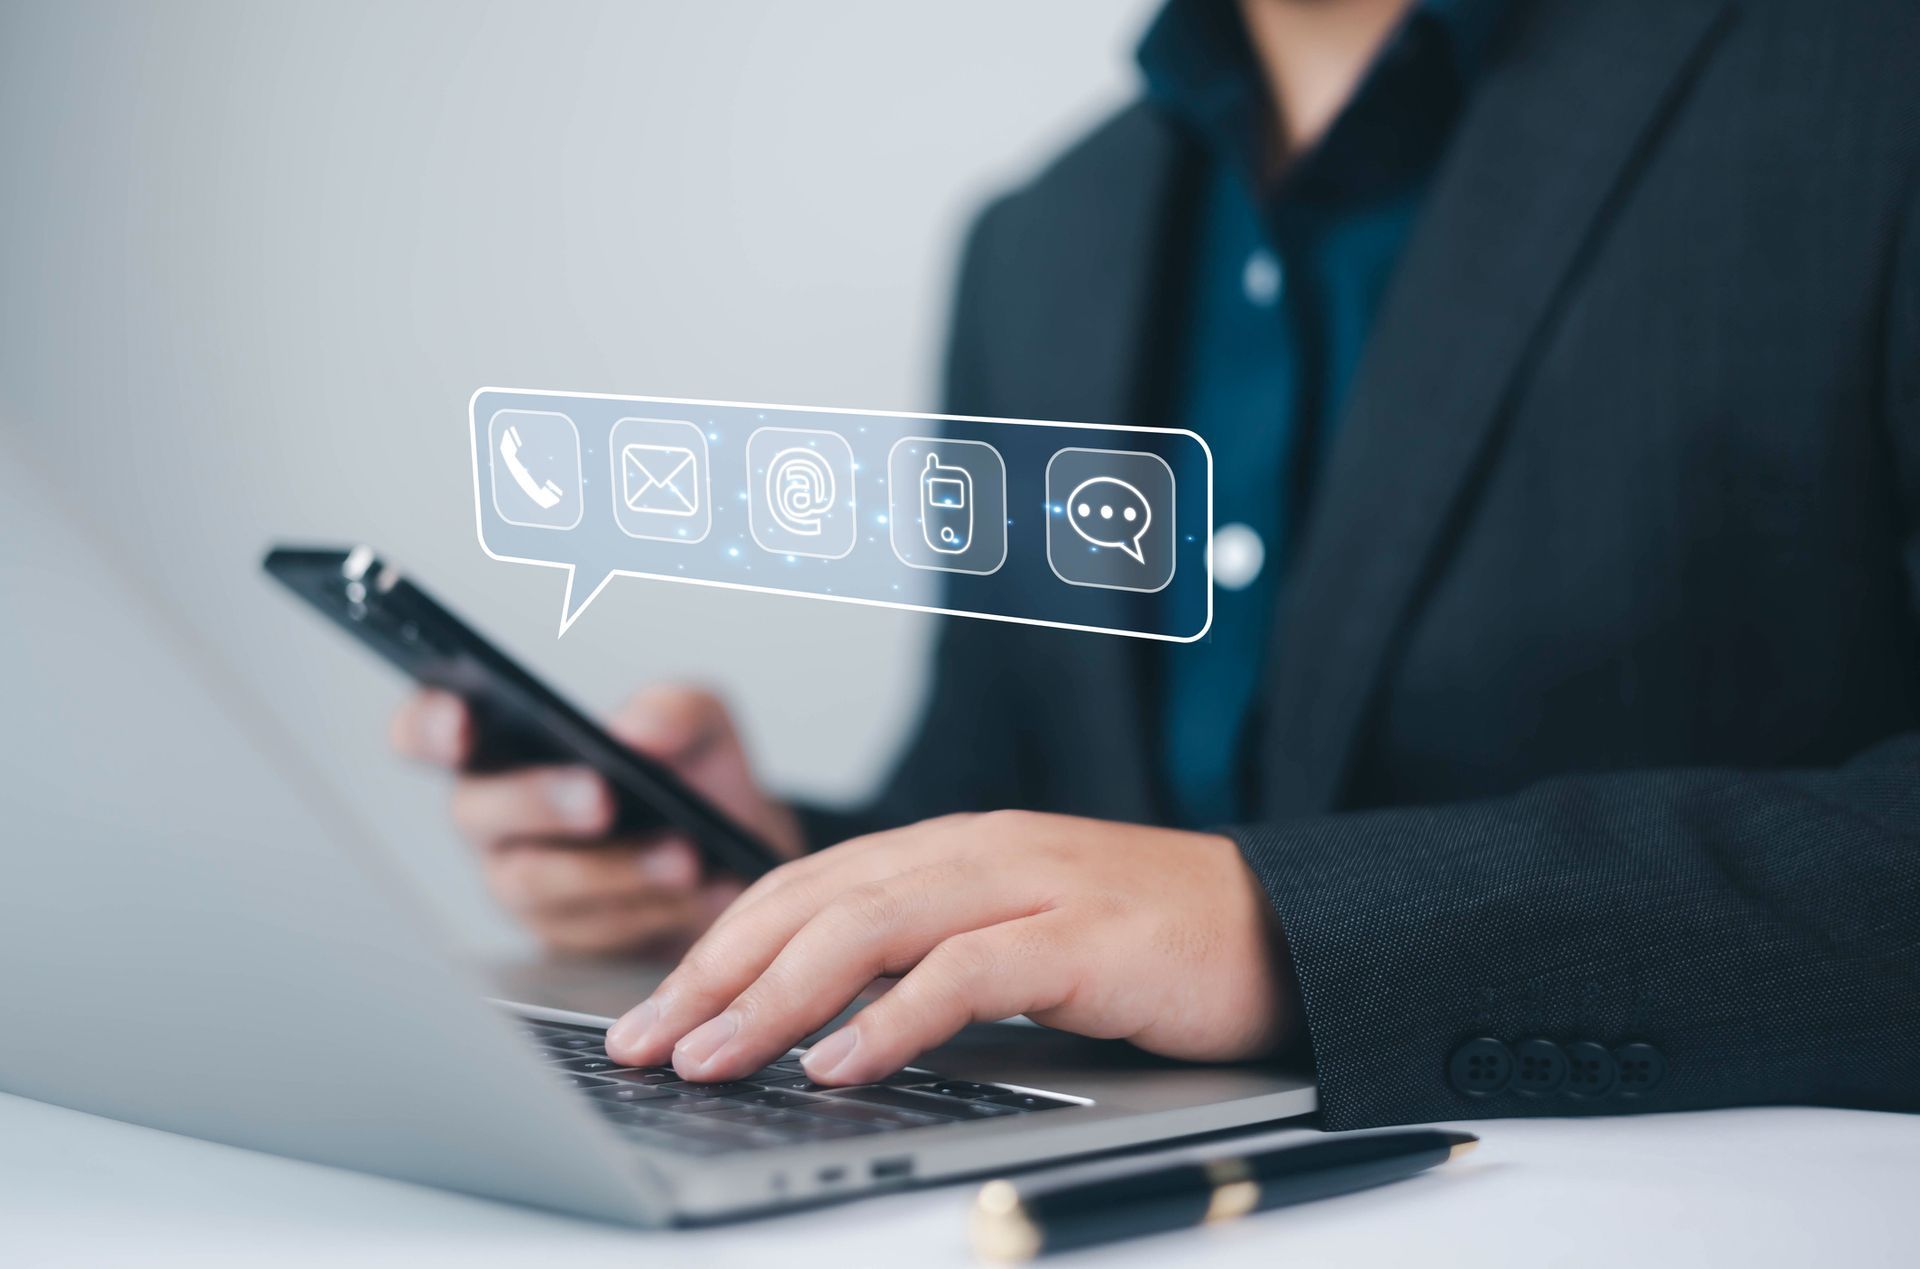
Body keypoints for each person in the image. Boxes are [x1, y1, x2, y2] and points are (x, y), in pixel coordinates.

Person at [394, 0, 1920, 1128]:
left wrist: (1276, 924)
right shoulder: (1043, 240)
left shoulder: (1864, 82)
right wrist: (767, 869)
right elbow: (1014, 799)